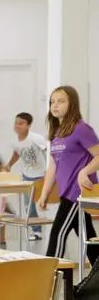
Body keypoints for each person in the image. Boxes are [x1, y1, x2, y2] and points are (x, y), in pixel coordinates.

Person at [39, 85, 99, 263]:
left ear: (72, 104)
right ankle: (96, 275)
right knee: (87, 232)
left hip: (77, 192)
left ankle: (47, 276)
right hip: (66, 191)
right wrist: (44, 193)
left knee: (58, 232)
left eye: (61, 101)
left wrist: (85, 171)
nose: (55, 105)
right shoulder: (57, 133)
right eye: (52, 102)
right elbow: (53, 167)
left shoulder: (81, 129)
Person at [7, 111, 48, 239]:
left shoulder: (36, 138)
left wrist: (49, 171)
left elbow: (48, 153)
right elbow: (17, 153)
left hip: (41, 175)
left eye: (21, 123)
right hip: (26, 176)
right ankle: (37, 232)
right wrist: (9, 165)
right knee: (28, 205)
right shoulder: (14, 140)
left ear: (29, 125)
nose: (17, 126)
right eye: (16, 123)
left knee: (44, 202)